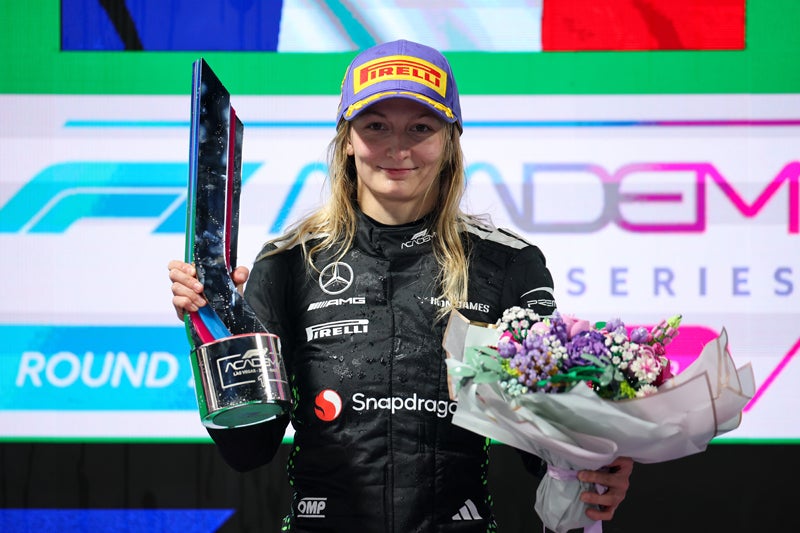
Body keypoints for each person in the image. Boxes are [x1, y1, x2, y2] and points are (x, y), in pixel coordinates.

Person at [169, 39, 633, 532]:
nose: (397, 148)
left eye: (420, 128)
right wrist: (214, 327)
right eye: (376, 126)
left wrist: (594, 466)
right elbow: (248, 449)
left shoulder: (506, 263)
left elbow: (545, 446)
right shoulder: (288, 264)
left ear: (450, 140)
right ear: (347, 139)